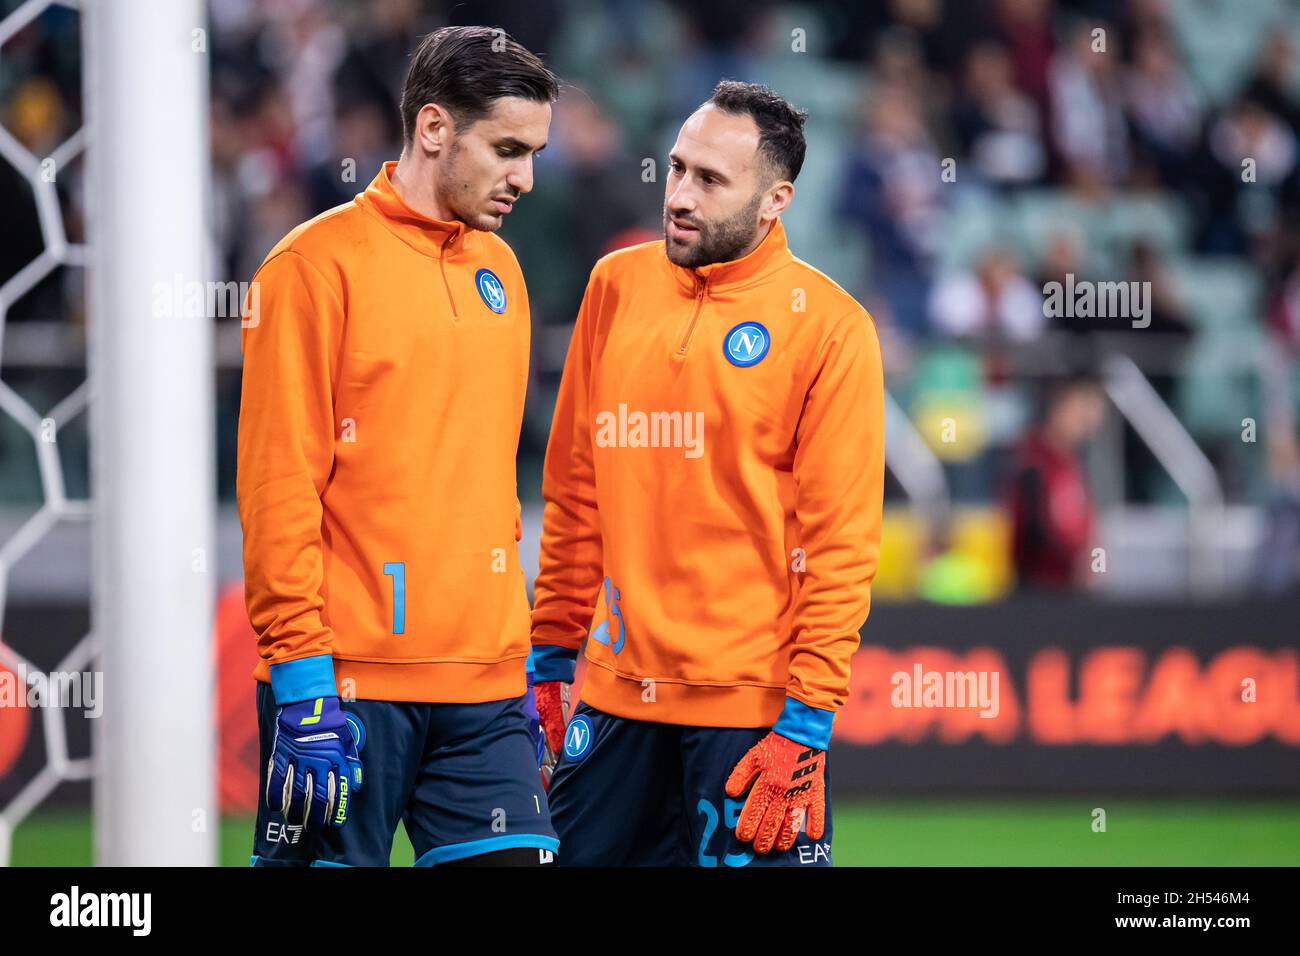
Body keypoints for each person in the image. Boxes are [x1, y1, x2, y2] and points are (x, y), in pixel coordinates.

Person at [529, 81, 885, 866]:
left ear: (775, 201)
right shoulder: (613, 287)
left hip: (753, 713)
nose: (680, 196)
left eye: (710, 180)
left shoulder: (831, 329)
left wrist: (807, 722)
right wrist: (551, 654)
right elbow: (576, 491)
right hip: (615, 702)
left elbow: (841, 544)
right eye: (677, 169)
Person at [237, 26, 560, 867]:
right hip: (345, 692)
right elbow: (279, 490)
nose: (525, 177)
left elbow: (486, 482)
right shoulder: (310, 268)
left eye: (534, 153)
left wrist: (517, 652)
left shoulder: (505, 274)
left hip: (486, 693)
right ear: (433, 129)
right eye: (508, 150)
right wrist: (300, 678)